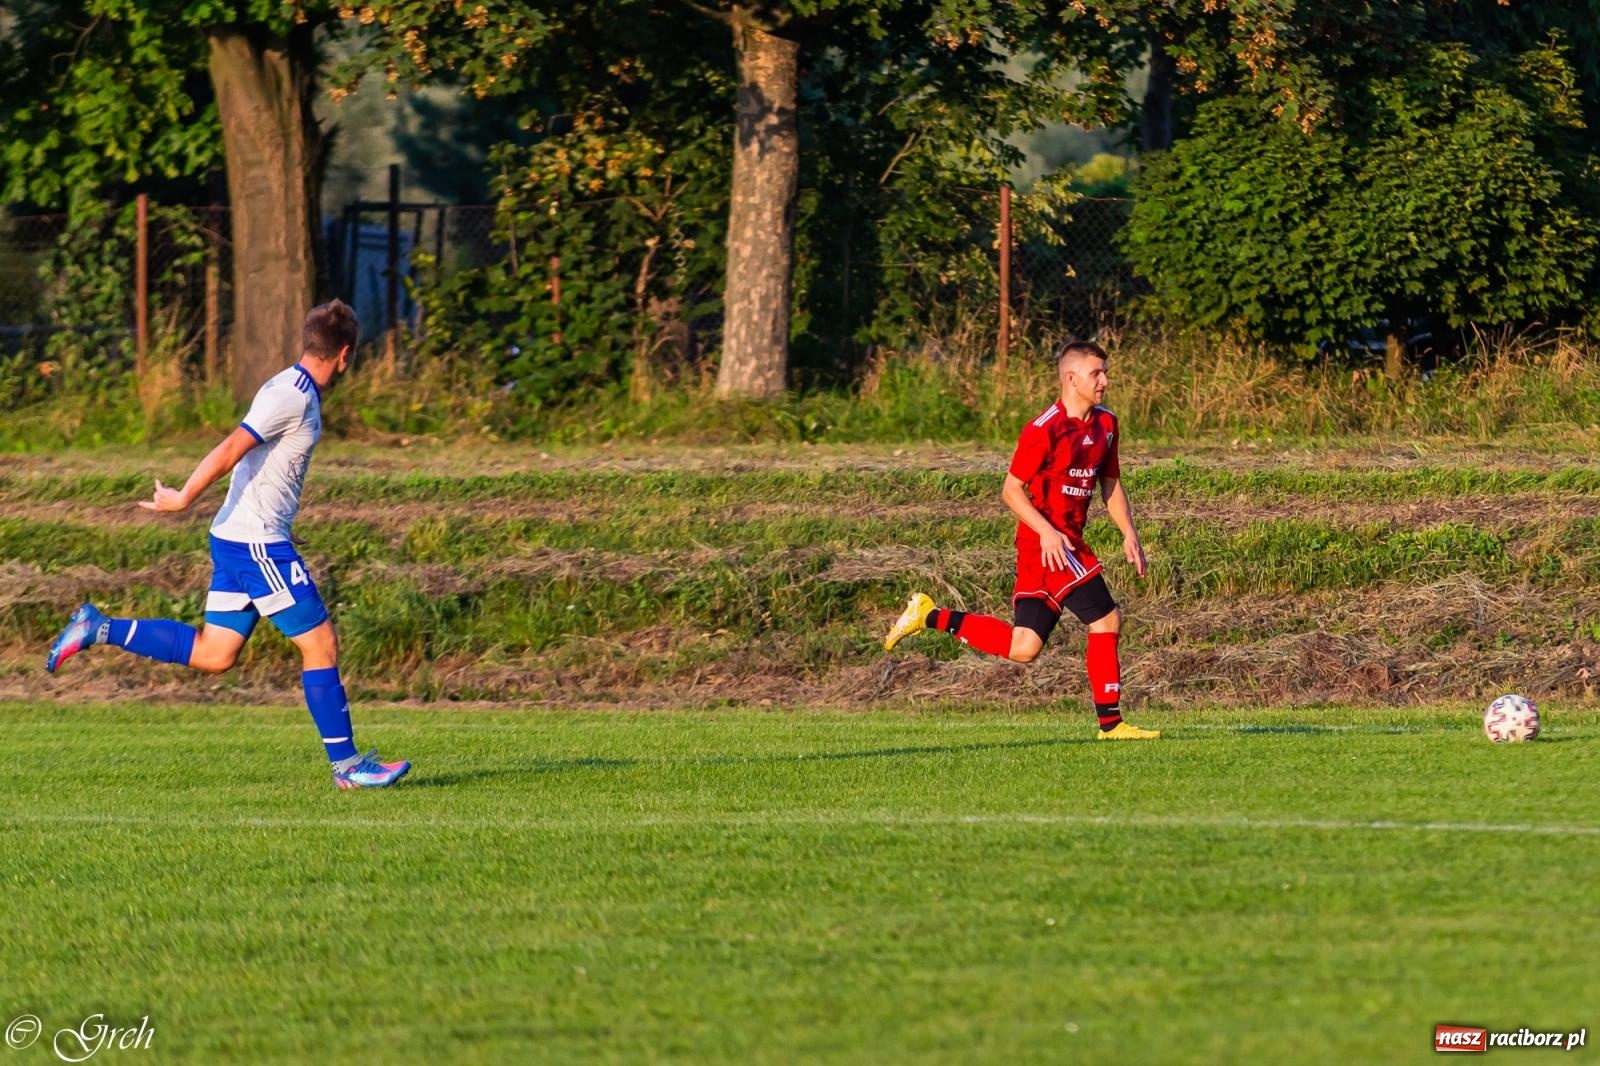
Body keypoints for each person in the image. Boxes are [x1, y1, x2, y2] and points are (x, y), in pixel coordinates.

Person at [44, 299, 412, 787]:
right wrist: (183, 498)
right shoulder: (292, 396)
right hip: (255, 542)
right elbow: (231, 448)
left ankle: (98, 628)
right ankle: (348, 768)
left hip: (240, 537)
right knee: (321, 644)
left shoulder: (292, 386)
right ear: (344, 354)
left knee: (216, 653)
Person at [883, 341, 1160, 740]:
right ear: (1071, 378)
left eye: (1105, 372)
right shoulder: (1043, 428)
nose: (1105, 380)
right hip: (1049, 543)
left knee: (1024, 648)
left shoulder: (1106, 424)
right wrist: (1047, 531)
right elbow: (1011, 490)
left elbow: (1109, 482)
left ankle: (928, 615)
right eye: (1097, 373)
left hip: (1057, 544)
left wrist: (1129, 532)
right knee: (1106, 619)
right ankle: (1111, 725)